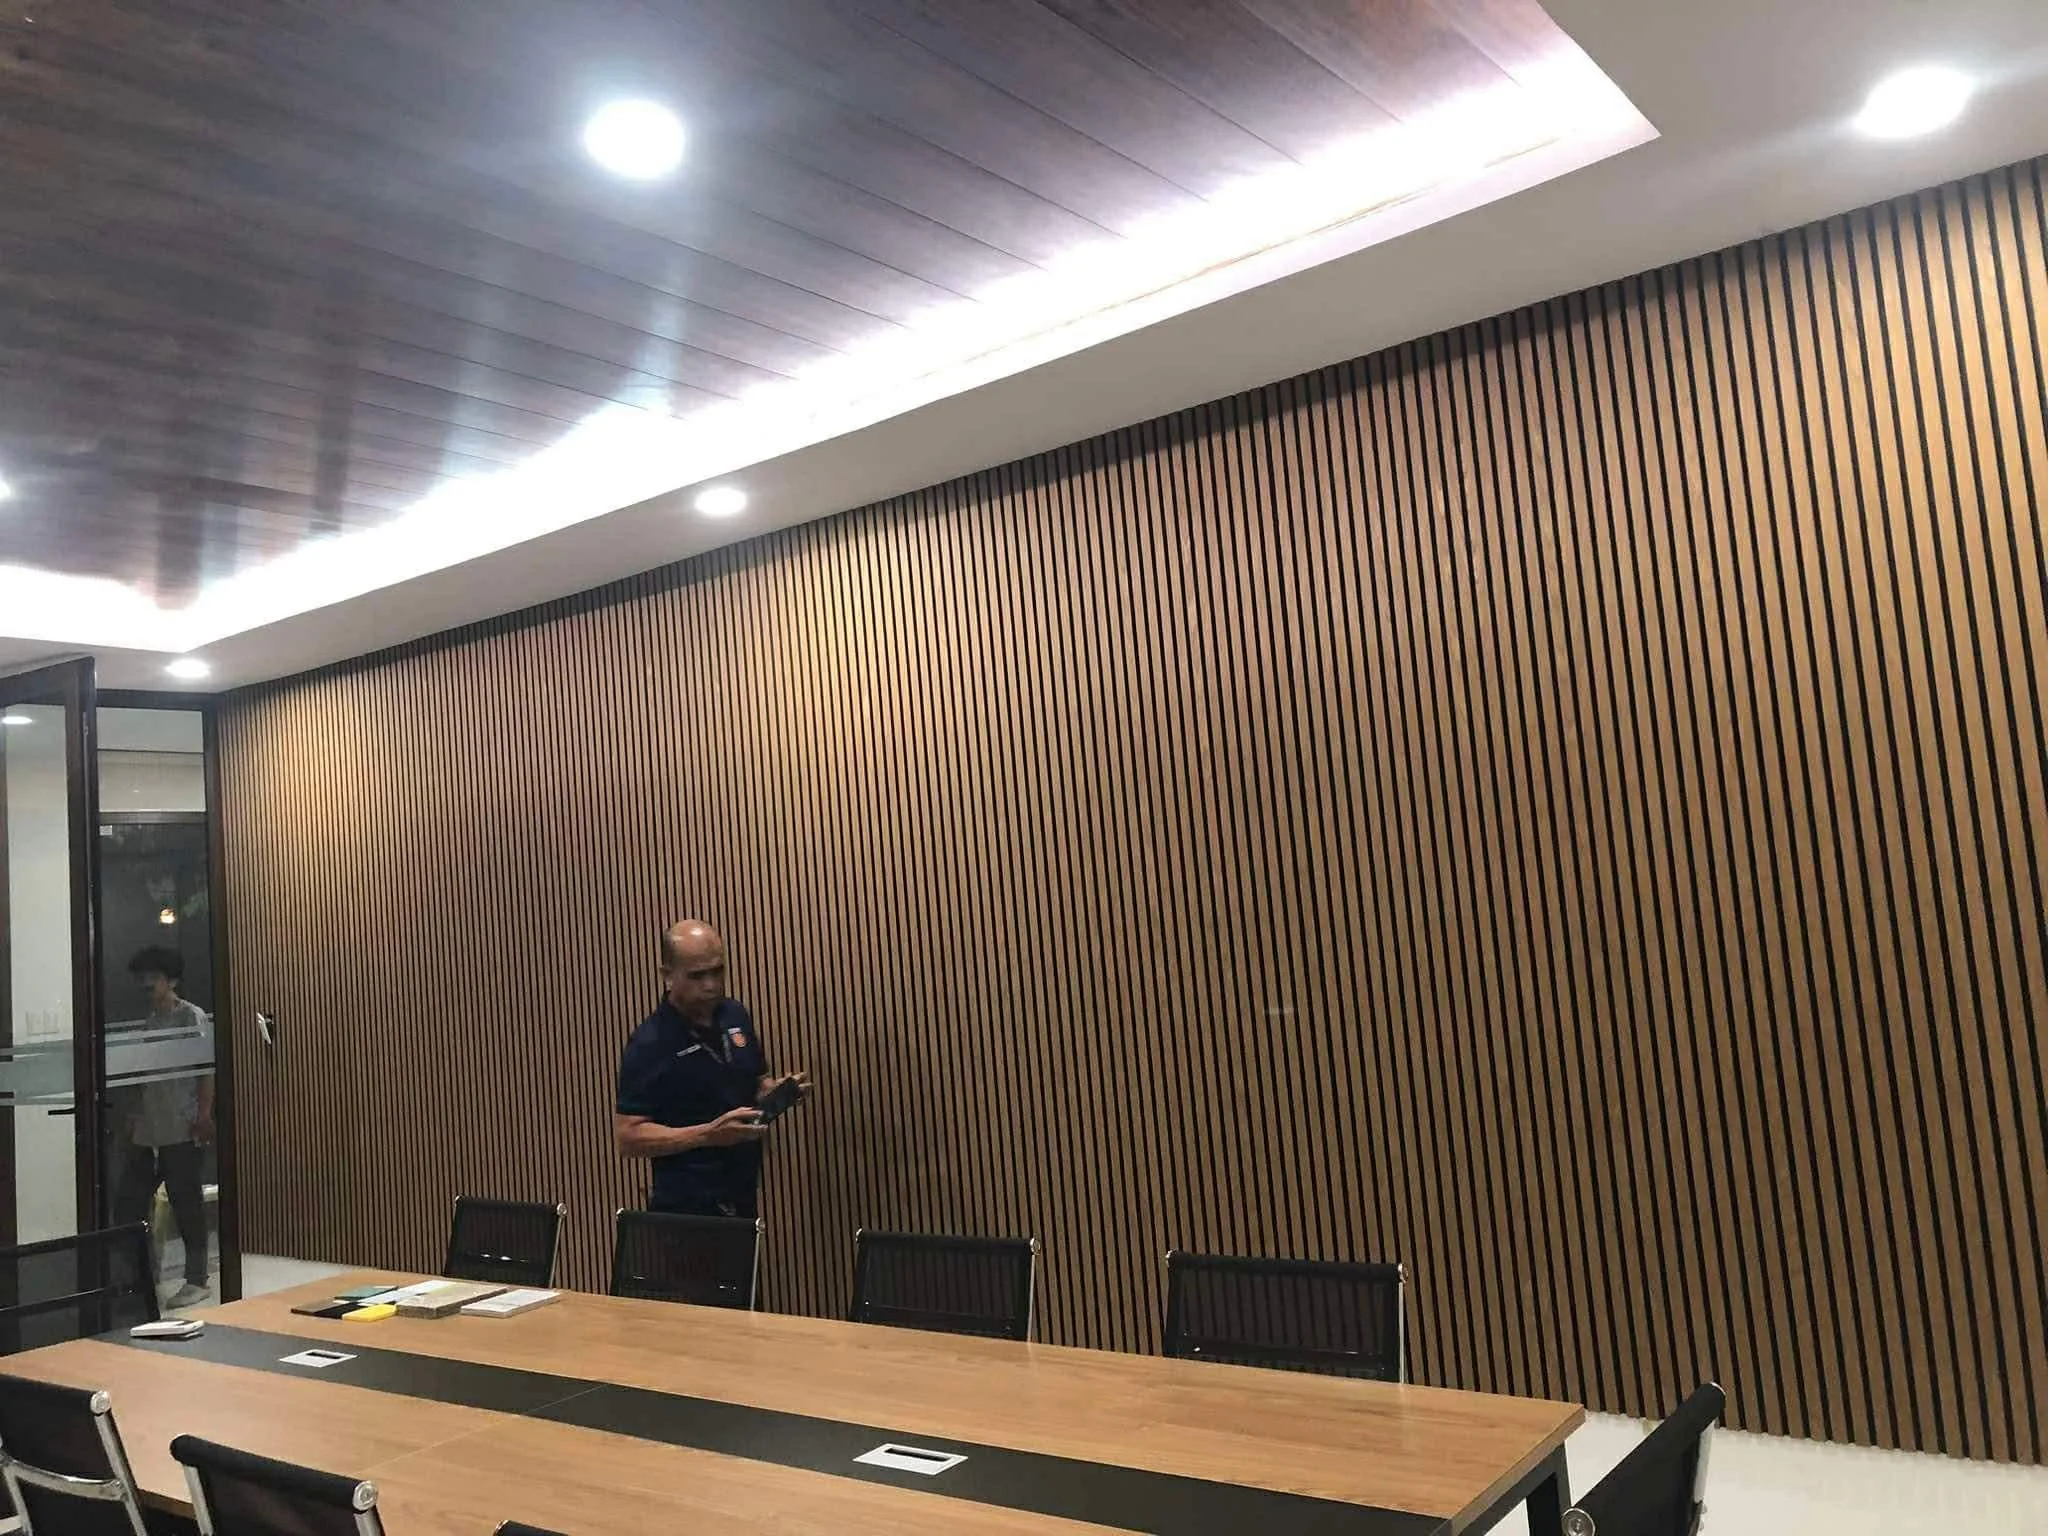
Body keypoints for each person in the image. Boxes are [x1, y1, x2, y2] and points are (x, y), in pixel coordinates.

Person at [614, 920, 808, 1218]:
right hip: (686, 1209)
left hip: (742, 1194)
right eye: (697, 975)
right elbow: (629, 1137)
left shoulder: (735, 1014)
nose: (711, 984)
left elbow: (756, 1082)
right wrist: (706, 1135)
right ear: (667, 976)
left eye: (718, 971)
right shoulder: (650, 1042)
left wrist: (775, 1093)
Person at [113, 946, 215, 1308]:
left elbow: (205, 1071)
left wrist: (204, 1116)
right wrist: (134, 1118)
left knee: (186, 1202)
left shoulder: (191, 1016)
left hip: (181, 1125)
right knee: (130, 1201)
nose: (145, 985)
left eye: (152, 978)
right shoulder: (148, 1024)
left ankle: (197, 1278)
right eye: (141, 979)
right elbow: (144, 1079)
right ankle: (141, 1275)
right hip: (150, 1128)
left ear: (170, 980)